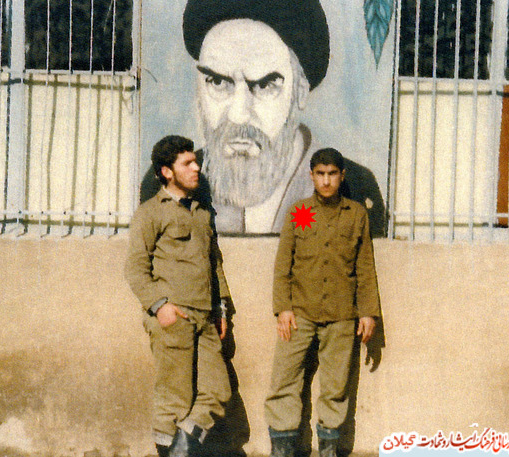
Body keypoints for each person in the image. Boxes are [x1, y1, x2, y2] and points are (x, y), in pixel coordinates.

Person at [264, 148, 381, 457]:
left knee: (335, 387)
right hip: (299, 314)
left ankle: (328, 450)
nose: (326, 181)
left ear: (342, 176)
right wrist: (283, 308)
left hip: (342, 316)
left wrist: (368, 312)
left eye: (332, 174)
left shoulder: (356, 214)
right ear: (312, 175)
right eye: (320, 174)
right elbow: (283, 264)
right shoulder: (301, 212)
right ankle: (282, 450)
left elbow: (365, 266)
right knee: (284, 381)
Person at [124, 135, 233, 457]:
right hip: (174, 317)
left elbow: (214, 263)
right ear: (167, 172)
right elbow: (135, 268)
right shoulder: (150, 213)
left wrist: (221, 308)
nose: (196, 168)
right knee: (175, 400)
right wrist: (161, 307)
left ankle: (181, 450)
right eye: (187, 163)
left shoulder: (202, 212)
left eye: (195, 162)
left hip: (205, 317)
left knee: (218, 391)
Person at [181, 0, 329, 233]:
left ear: (300, 91)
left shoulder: (353, 191)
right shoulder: (170, 184)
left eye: (265, 85)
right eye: (218, 82)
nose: (239, 115)